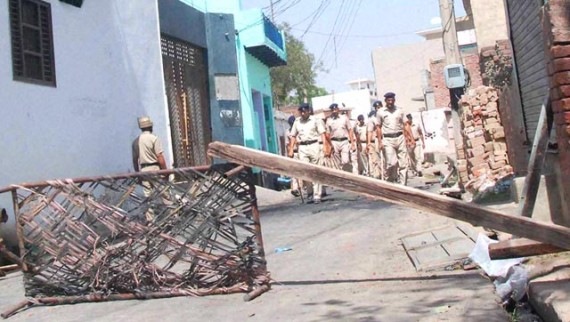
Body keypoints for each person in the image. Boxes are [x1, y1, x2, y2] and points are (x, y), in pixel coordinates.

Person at [288, 104, 329, 204]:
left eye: (304, 111)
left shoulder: (315, 120)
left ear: (308, 111)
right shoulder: (297, 122)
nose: (302, 113)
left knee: (316, 170)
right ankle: (310, 193)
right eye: (301, 111)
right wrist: (291, 149)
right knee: (306, 171)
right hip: (302, 147)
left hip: (314, 145)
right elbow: (293, 135)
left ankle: (317, 195)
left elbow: (322, 134)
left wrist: (325, 146)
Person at [132, 116, 167, 222]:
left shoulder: (136, 141)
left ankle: (151, 221)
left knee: (148, 197)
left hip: (144, 171)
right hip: (155, 168)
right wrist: (165, 171)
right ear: (150, 126)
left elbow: (135, 160)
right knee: (164, 193)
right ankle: (173, 216)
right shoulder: (154, 138)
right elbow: (160, 157)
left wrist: (138, 174)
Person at [374, 92, 412, 185]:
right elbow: (378, 127)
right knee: (392, 163)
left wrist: (411, 138)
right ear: (385, 101)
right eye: (388, 100)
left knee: (403, 164)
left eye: (392, 100)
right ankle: (391, 180)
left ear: (394, 100)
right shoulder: (381, 112)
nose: (390, 102)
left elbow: (406, 125)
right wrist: (380, 141)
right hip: (388, 139)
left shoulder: (400, 110)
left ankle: (403, 185)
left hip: (400, 137)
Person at [325, 103, 356, 172]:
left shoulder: (344, 118)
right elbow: (327, 134)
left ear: (338, 110)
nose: (334, 111)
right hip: (334, 142)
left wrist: (352, 143)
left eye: (335, 109)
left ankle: (346, 175)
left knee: (345, 161)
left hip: (344, 141)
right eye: (333, 110)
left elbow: (350, 130)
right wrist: (329, 145)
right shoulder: (329, 120)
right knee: (336, 162)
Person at [285, 115, 302, 196]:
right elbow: (287, 144)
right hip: (294, 152)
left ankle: (302, 187)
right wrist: (289, 153)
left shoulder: (300, 129)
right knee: (294, 171)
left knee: (302, 170)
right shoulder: (288, 132)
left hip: (301, 151)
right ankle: (295, 188)